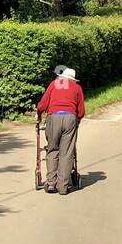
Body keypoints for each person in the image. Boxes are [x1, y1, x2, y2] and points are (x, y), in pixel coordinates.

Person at [35, 66, 85, 194]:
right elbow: (81, 111)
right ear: (72, 79)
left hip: (54, 118)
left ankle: (51, 183)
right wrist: (77, 119)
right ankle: (62, 186)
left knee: (52, 149)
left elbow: (43, 104)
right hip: (70, 119)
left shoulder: (54, 84)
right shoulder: (77, 88)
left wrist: (39, 113)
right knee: (67, 152)